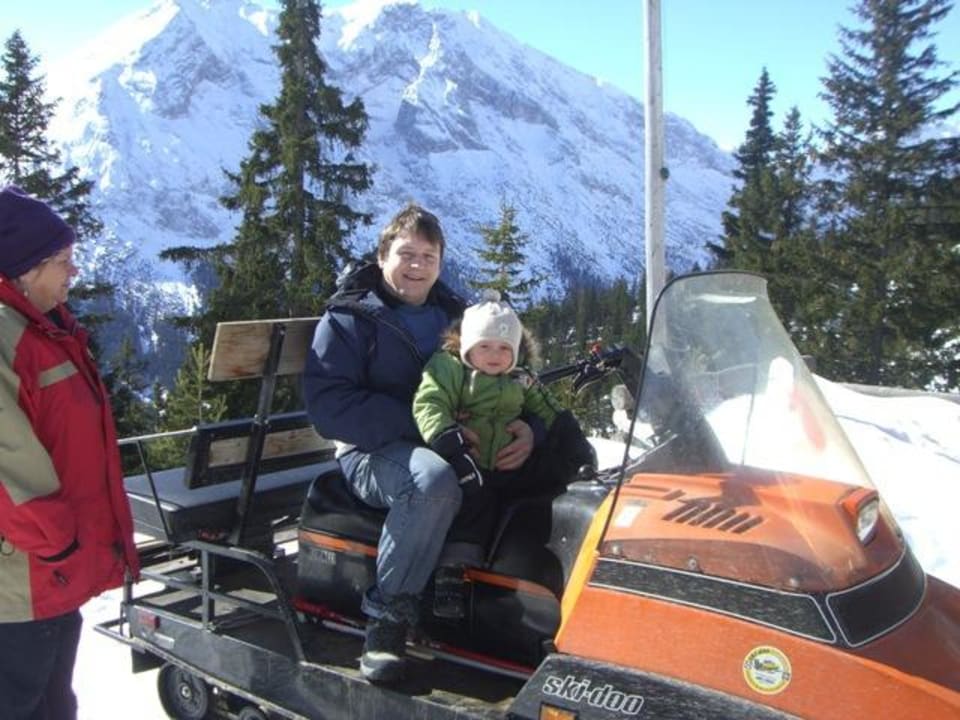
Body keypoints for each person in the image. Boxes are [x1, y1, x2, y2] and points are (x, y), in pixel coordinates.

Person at [302, 203, 537, 684]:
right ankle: (388, 619)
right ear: (382, 256)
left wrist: (531, 428)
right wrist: (429, 427)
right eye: (406, 254)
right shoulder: (350, 318)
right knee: (433, 482)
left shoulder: (454, 316)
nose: (417, 266)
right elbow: (328, 405)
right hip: (372, 449)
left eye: (428, 257)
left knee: (536, 468)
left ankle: (510, 608)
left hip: (450, 436)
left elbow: (507, 374)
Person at [0, 186, 140, 719]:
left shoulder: (45, 329)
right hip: (21, 582)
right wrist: (58, 542)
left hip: (52, 574)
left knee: (54, 703)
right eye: (62, 260)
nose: (73, 271)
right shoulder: (7, 337)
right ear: (24, 268)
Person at [412, 289, 566, 618]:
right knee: (474, 507)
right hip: (469, 462)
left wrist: (565, 432)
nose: (495, 355)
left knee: (541, 489)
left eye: (504, 348)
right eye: (484, 346)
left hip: (508, 462)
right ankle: (452, 573)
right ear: (468, 346)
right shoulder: (451, 369)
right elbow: (430, 402)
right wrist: (446, 437)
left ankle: (533, 566)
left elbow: (547, 407)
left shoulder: (519, 378)